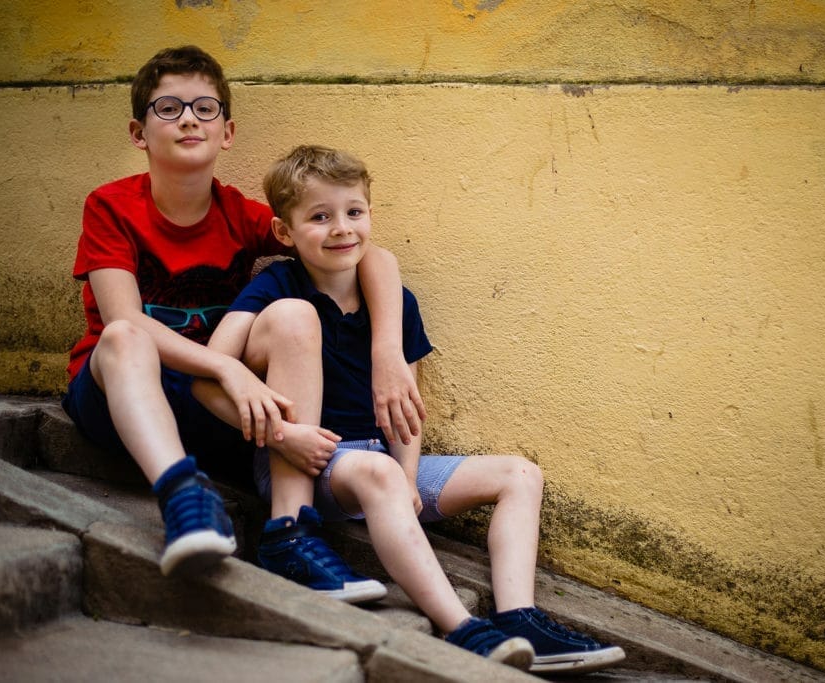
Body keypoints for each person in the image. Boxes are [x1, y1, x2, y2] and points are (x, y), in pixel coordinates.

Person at [199, 144, 627, 674]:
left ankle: (520, 619)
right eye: (320, 217)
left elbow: (404, 409)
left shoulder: (395, 302)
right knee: (376, 468)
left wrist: (406, 475)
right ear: (284, 232)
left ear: (370, 215)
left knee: (521, 474)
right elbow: (210, 373)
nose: (341, 228)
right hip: (308, 462)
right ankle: (462, 629)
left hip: (379, 461)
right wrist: (283, 436)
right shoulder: (278, 287)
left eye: (354, 212)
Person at [61, 46, 424, 580]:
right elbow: (126, 319)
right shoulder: (111, 206)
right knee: (123, 337)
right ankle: (182, 494)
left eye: (204, 108)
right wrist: (226, 368)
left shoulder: (238, 214)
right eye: (169, 108)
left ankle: (291, 530)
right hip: (120, 394)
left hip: (213, 409)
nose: (189, 119)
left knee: (294, 315)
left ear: (226, 131)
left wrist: (388, 350)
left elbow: (368, 255)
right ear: (139, 133)